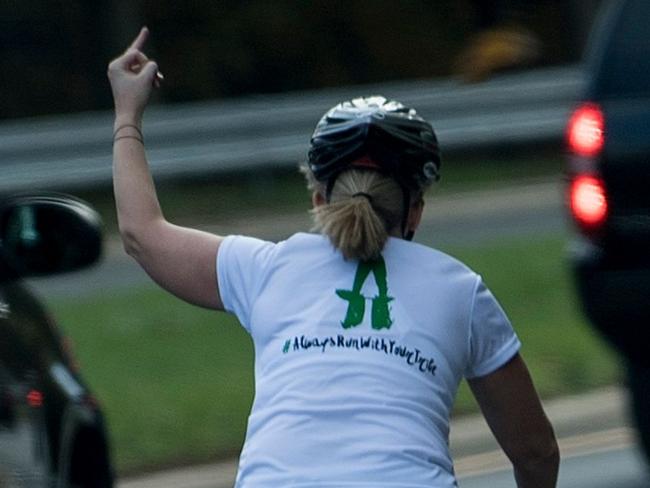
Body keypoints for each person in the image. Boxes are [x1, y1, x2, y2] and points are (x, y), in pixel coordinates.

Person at [108, 27, 559, 488]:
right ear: (415, 211)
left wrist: (128, 113)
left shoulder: (267, 269)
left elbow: (141, 233)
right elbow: (535, 452)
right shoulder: (461, 292)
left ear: (320, 201)